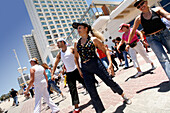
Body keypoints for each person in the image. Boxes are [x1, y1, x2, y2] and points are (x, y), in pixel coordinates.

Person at [72, 22, 131, 113]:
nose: (78, 30)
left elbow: (105, 50)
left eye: (80, 28)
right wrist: (79, 69)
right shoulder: (77, 43)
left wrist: (110, 63)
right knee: (91, 91)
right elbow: (76, 57)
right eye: (77, 28)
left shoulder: (94, 40)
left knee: (109, 81)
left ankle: (123, 95)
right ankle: (100, 111)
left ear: (86, 29)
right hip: (85, 68)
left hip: (96, 64)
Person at [127, 0, 170, 80]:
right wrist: (128, 43)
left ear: (146, 2)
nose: (141, 6)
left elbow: (167, 16)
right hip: (152, 39)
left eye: (142, 3)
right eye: (138, 6)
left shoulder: (157, 10)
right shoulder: (139, 18)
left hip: (165, 34)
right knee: (163, 59)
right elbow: (133, 32)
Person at [51, 38, 87, 113]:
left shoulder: (71, 49)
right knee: (72, 90)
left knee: (86, 84)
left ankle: (94, 96)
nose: (57, 45)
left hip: (77, 70)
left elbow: (79, 55)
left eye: (58, 43)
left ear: (62, 42)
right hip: (69, 73)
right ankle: (76, 108)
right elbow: (55, 64)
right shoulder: (60, 54)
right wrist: (52, 74)